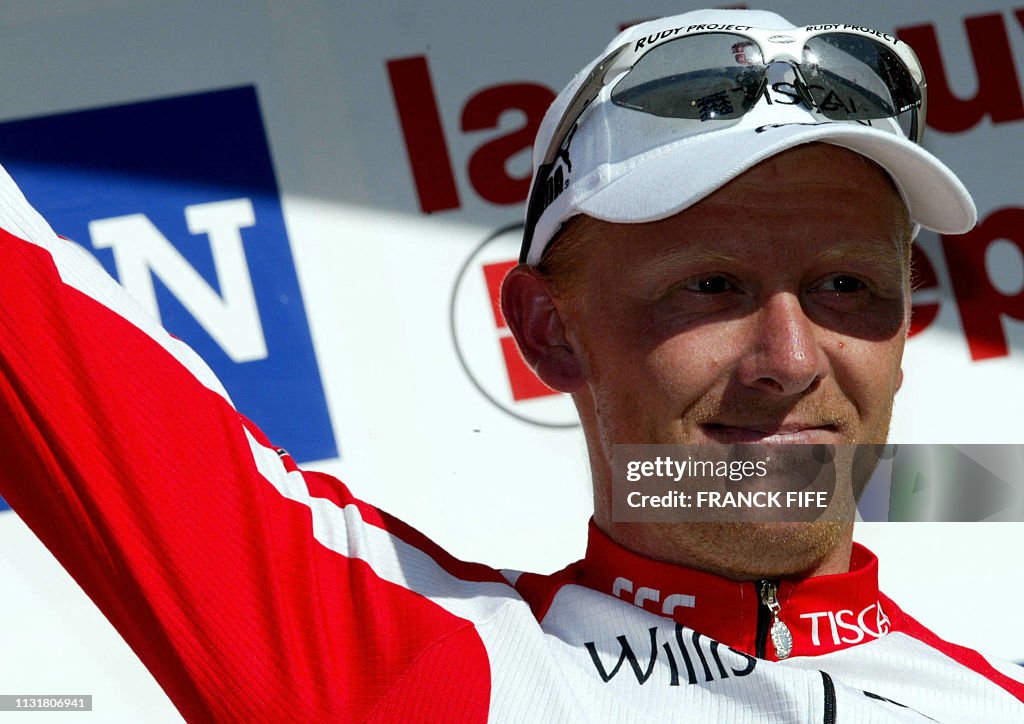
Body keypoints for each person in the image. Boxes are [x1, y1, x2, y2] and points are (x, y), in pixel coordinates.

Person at [0, 7, 1021, 722]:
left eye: (845, 286)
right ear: (547, 330)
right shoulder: (424, 670)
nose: (789, 361)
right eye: (710, 286)